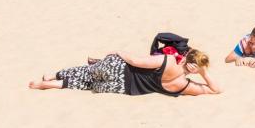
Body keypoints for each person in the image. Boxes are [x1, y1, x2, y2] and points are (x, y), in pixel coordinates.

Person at [28, 48, 220, 96]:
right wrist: (203, 74)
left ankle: (53, 76)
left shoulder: (168, 60)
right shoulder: (182, 85)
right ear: (195, 69)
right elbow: (216, 90)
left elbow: (136, 61)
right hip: (121, 87)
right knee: (85, 85)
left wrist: (119, 52)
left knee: (86, 71)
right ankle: (48, 85)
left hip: (121, 70)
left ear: (185, 56)